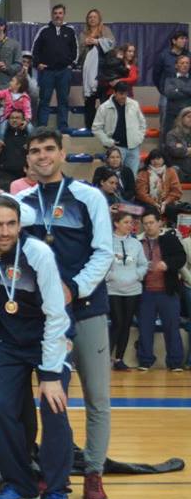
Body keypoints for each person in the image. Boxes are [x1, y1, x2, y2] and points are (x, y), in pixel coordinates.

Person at [11, 127, 114, 499]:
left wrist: (74, 288)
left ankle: (94, 471)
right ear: (28, 158)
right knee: (52, 398)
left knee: (97, 396)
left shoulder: (89, 197)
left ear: (62, 153)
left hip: (86, 310)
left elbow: (104, 252)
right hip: (45, 319)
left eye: (49, 149)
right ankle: (53, 469)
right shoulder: (21, 202)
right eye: (35, 150)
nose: (42, 156)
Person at [0, 195, 74, 499]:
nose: (4, 232)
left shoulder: (38, 253)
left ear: (20, 224)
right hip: (10, 344)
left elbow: (57, 315)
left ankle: (57, 491)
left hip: (49, 341)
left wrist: (50, 374)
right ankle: (21, 484)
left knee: (54, 408)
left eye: (11, 224)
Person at [136, 209, 187, 371]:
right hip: (145, 291)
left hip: (167, 290)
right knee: (145, 328)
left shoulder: (170, 239)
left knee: (172, 327)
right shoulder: (138, 242)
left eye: (151, 222)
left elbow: (181, 258)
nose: (149, 226)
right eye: (145, 223)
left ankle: (175, 362)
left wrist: (167, 264)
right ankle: (145, 361)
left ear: (160, 222)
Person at [106, 210, 147, 371]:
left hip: (133, 290)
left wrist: (137, 275)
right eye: (126, 222)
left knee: (126, 324)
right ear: (116, 223)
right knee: (117, 322)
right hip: (113, 289)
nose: (130, 225)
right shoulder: (107, 242)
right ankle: (105, 359)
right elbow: (100, 262)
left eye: (131, 223)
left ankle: (119, 359)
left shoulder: (136, 244)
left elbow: (143, 264)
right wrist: (109, 276)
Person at [31, 5, 77, 131]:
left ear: (64, 14)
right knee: (44, 100)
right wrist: (37, 63)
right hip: (47, 72)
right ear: (52, 15)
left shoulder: (70, 31)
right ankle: (41, 128)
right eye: (55, 13)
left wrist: (71, 65)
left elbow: (75, 50)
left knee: (63, 100)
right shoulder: (44, 30)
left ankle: (63, 127)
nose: (58, 15)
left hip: (64, 72)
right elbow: (35, 49)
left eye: (60, 13)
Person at [92, 82, 147, 175]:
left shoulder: (134, 104)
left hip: (134, 147)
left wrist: (139, 138)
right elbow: (96, 128)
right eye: (121, 94)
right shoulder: (104, 107)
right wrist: (107, 141)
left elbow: (142, 123)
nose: (124, 96)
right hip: (115, 148)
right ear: (114, 93)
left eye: (126, 94)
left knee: (132, 177)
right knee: (114, 177)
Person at [78, 9, 115, 129]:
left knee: (105, 101)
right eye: (90, 17)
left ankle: (106, 127)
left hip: (103, 71)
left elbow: (112, 44)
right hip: (88, 72)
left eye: (94, 17)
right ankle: (90, 127)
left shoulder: (105, 30)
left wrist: (97, 41)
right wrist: (85, 44)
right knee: (89, 101)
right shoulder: (83, 34)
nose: (92, 19)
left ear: (99, 18)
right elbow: (79, 53)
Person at [0, 74, 32, 142]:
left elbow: (27, 110)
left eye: (12, 81)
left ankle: (30, 143)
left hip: (20, 119)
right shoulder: (7, 92)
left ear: (18, 85)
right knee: (1, 129)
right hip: (8, 118)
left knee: (30, 128)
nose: (10, 82)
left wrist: (26, 120)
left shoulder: (24, 97)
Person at [152, 30, 189, 122]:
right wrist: (163, 90)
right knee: (166, 122)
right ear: (174, 41)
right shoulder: (163, 56)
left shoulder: (188, 55)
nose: (184, 41)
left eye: (185, 39)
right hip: (167, 95)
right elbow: (156, 75)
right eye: (182, 38)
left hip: (186, 94)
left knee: (186, 122)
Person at [0, 110, 31, 190]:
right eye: (12, 118)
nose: (14, 120)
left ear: (23, 120)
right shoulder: (2, 132)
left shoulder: (29, 133)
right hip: (4, 174)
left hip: (23, 175)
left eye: (17, 118)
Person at [162, 54, 191, 139]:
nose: (185, 65)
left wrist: (178, 89)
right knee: (169, 140)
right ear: (176, 65)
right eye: (182, 63)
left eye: (187, 63)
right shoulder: (169, 79)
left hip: (189, 115)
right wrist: (187, 91)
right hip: (172, 116)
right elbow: (169, 93)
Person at [165, 106, 191, 182]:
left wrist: (183, 149)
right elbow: (175, 151)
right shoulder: (172, 134)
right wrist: (188, 150)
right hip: (180, 171)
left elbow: (180, 151)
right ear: (181, 118)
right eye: (189, 117)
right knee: (174, 170)